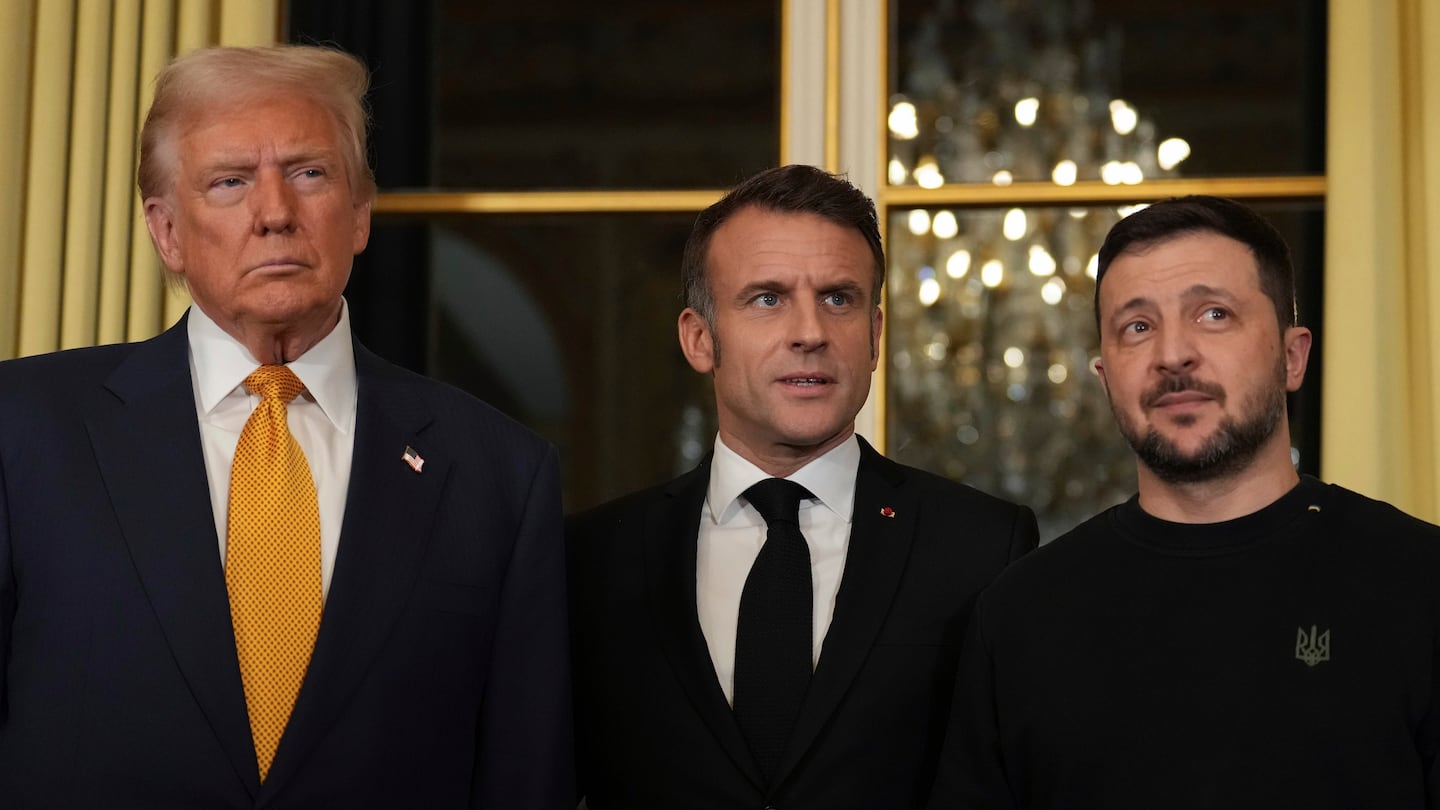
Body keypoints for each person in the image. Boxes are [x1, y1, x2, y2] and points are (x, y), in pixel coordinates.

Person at [0, 45, 571, 808]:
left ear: (360, 214)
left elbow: (524, 780)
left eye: (309, 173)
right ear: (166, 231)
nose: (275, 213)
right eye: (230, 182)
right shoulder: (23, 430)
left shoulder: (499, 472)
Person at [927, 195, 1440, 809]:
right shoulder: (1018, 617)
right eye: (1137, 327)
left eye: (1214, 314)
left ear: (1292, 356)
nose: (1173, 355)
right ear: (1105, 375)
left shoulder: (1421, 582)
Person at [568, 164, 1039, 809]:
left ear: (874, 337)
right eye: (767, 298)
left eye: (838, 298)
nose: (810, 333)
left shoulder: (983, 545)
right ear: (700, 339)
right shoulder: (592, 559)